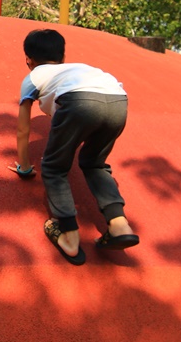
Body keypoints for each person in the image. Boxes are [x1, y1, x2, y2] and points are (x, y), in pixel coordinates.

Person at [15, 28, 139, 265]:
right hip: (118, 100)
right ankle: (119, 224)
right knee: (94, 163)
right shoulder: (79, 69)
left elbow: (23, 129)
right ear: (62, 57)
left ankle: (70, 237)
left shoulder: (32, 77)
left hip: (78, 102)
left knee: (53, 167)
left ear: (28, 60)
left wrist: (24, 166)